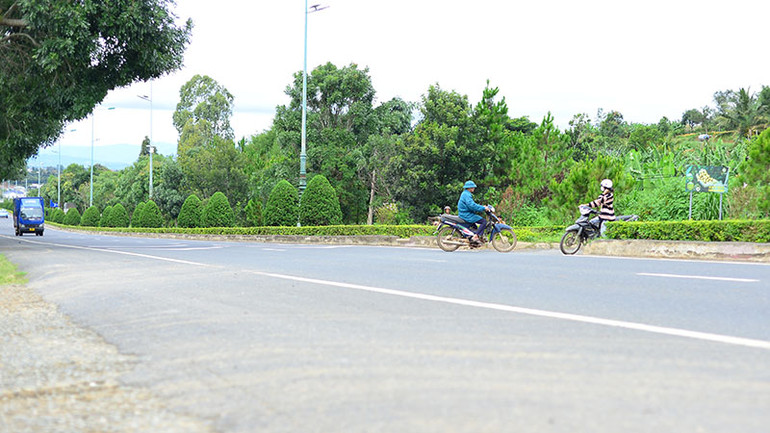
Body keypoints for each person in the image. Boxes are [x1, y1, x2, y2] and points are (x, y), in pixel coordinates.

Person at [458, 180, 490, 244]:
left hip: (466, 213)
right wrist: (483, 208)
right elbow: (472, 206)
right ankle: (476, 236)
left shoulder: (466, 193)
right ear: (469, 188)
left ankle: (472, 241)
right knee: (483, 221)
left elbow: (472, 204)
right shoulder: (466, 195)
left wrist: (481, 207)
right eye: (472, 187)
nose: (474, 188)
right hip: (466, 214)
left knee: (475, 227)